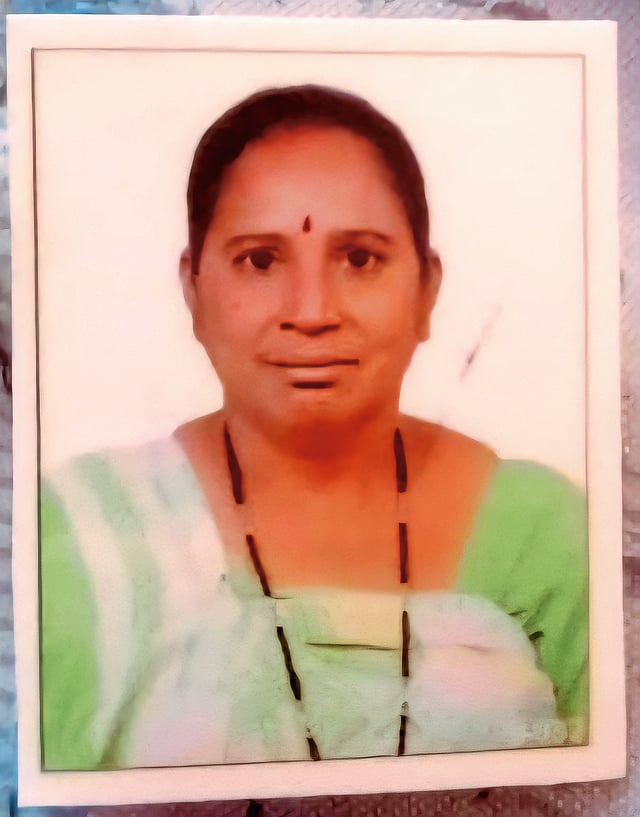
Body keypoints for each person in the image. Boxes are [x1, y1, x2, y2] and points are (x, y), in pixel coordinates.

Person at [40, 85, 588, 770]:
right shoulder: (79, 535)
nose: (311, 311)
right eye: (260, 260)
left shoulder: (546, 533)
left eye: (359, 258)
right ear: (193, 290)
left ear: (427, 291)